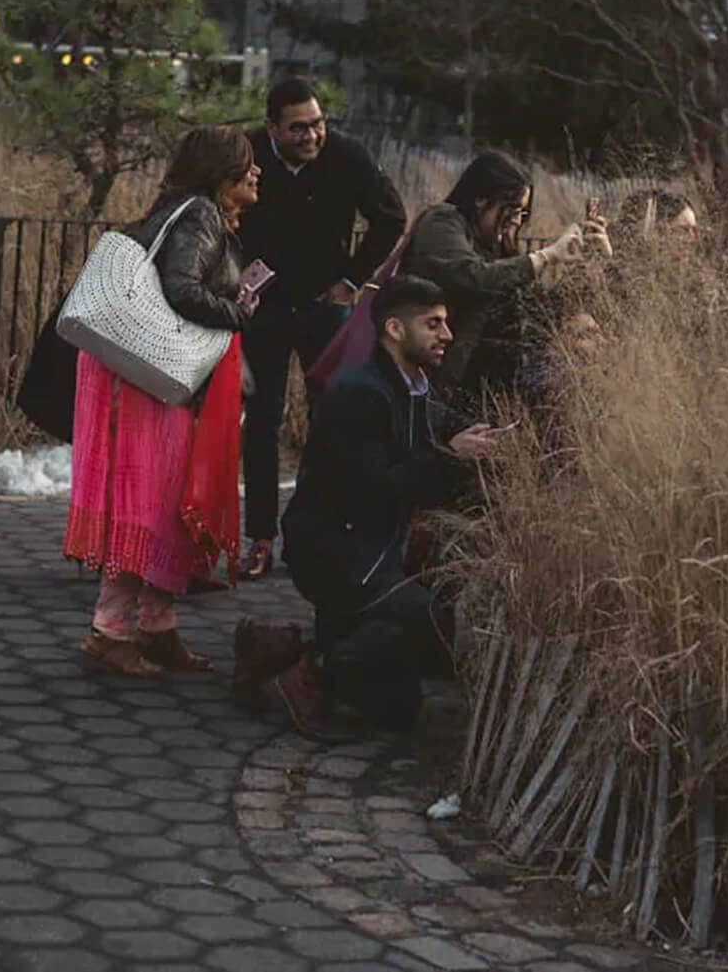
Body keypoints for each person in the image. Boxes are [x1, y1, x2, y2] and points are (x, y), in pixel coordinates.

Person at [233, 275, 509, 738]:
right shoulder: (360, 391)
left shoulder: (416, 384)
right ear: (395, 330)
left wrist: (483, 443)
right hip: (333, 546)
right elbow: (369, 490)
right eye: (434, 324)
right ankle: (310, 674)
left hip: (375, 544)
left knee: (398, 711)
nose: (447, 335)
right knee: (427, 620)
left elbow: (431, 447)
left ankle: (272, 645)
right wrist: (450, 456)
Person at [67, 126, 263, 678]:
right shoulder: (200, 214)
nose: (257, 172)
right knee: (151, 503)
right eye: (247, 163)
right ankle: (110, 631)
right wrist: (240, 313)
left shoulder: (191, 211)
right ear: (221, 171)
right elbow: (183, 289)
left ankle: (156, 625)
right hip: (152, 385)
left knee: (164, 502)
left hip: (146, 379)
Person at [235, 78, 408, 581]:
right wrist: (239, 279)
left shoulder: (348, 157)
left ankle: (320, 532)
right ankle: (260, 537)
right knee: (262, 423)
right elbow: (221, 216)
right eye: (298, 128)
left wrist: (352, 279)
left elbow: (391, 218)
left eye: (318, 123)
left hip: (322, 307)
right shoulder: (245, 154)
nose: (312, 135)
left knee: (333, 419)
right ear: (272, 129)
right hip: (262, 309)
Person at [400, 152, 586, 407]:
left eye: (522, 213)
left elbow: (539, 310)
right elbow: (473, 278)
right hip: (433, 384)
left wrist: (590, 259)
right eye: (511, 210)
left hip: (480, 390)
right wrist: (546, 255)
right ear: (480, 199)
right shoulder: (441, 222)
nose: (516, 221)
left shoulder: (493, 245)